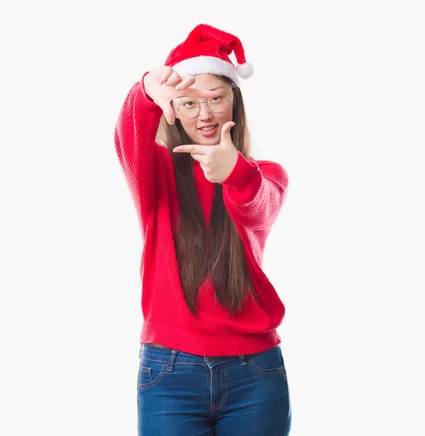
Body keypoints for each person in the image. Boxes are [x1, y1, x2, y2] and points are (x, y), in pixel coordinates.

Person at [113, 23, 291, 435]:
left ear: (235, 102)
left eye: (216, 99)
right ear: (173, 109)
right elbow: (127, 134)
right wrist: (146, 89)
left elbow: (257, 209)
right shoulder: (155, 173)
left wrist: (235, 174)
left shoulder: (266, 175)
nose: (205, 114)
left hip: (256, 375)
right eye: (188, 103)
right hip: (169, 374)